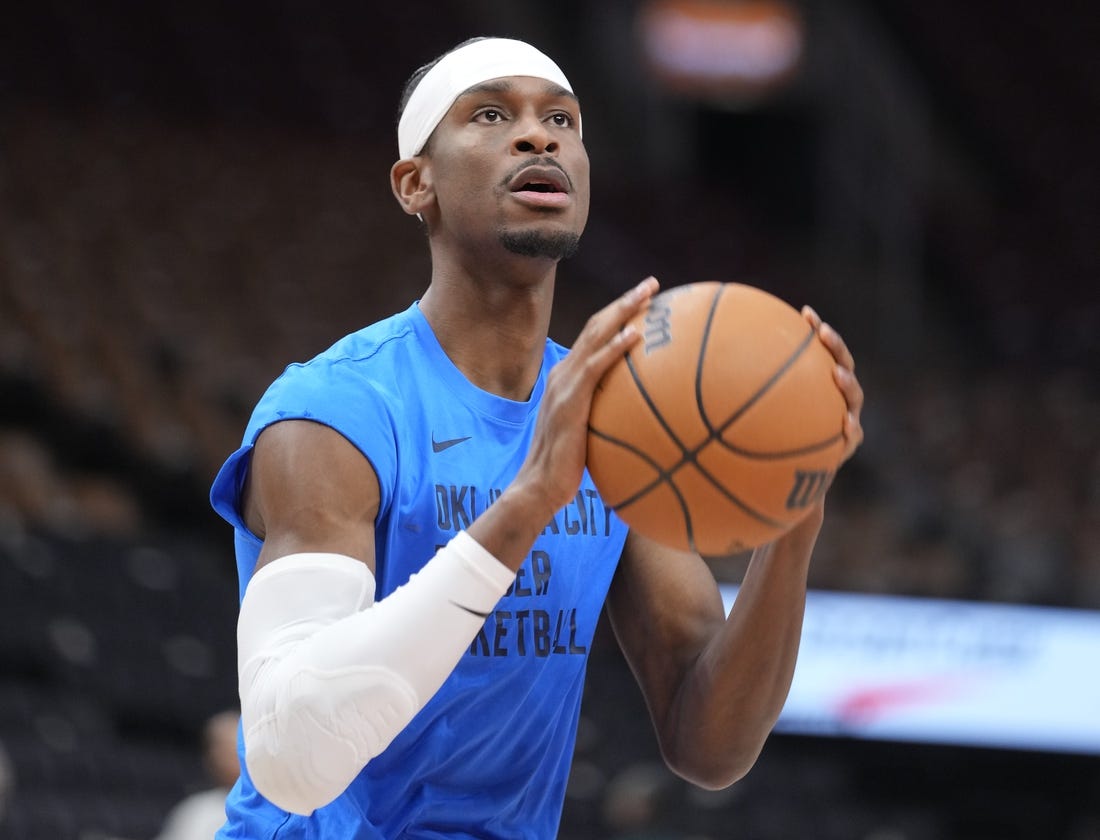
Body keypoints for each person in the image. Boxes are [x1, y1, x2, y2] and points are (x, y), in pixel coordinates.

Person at [209, 35, 864, 839]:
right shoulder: (332, 412)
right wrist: (532, 498)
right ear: (417, 184)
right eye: (491, 114)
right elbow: (292, 759)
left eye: (562, 119)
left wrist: (792, 517)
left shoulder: (622, 420)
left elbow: (711, 745)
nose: (538, 135)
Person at [153, 710, 240, 840]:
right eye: (223, 750)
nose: (231, 759)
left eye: (238, 749)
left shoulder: (276, 808)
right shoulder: (197, 812)